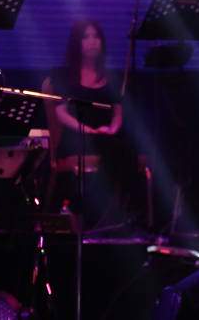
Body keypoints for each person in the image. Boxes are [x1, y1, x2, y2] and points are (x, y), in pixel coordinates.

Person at [42, 19, 135, 227]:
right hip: (76, 135)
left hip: (105, 136)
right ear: (77, 43)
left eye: (96, 36)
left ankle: (114, 213)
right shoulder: (65, 75)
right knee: (115, 152)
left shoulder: (110, 77)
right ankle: (93, 213)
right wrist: (87, 130)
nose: (92, 41)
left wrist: (110, 130)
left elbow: (117, 112)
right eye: (86, 37)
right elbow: (61, 113)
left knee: (122, 151)